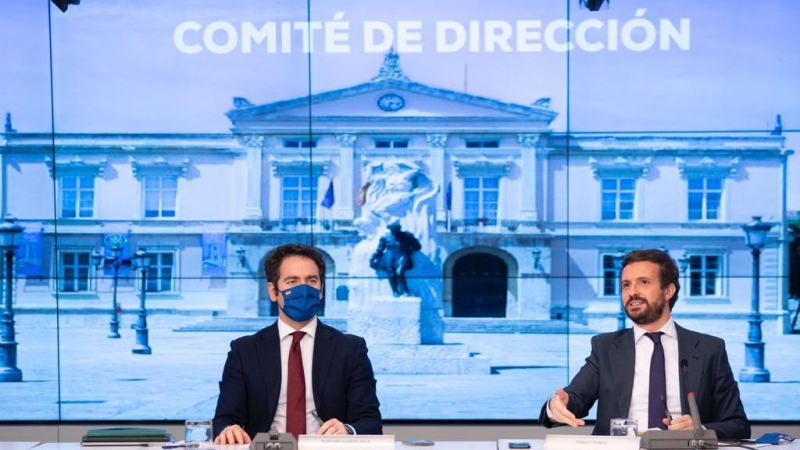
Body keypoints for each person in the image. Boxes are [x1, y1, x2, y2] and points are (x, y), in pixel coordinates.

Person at [540, 249, 749, 440]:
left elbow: (738, 425)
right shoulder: (605, 347)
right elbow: (573, 399)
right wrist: (556, 405)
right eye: (626, 285)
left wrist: (700, 429)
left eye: (644, 282)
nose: (632, 292)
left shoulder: (709, 349)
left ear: (668, 291)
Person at [213, 244, 382, 444]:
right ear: (273, 291)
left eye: (311, 280)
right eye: (292, 281)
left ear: (320, 290)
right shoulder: (244, 351)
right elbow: (224, 419)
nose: (304, 289)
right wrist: (228, 429)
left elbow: (371, 422)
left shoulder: (350, 349)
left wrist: (346, 429)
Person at [369, 221, 422, 297]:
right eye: (392, 228)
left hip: (402, 254)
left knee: (399, 272)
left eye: (396, 228)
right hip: (389, 255)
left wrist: (408, 249)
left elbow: (417, 247)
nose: (394, 230)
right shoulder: (385, 237)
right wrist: (372, 258)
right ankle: (395, 291)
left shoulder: (407, 235)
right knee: (391, 273)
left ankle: (405, 290)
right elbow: (380, 249)